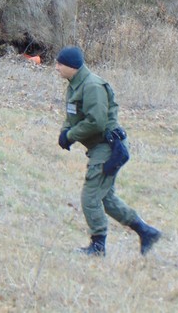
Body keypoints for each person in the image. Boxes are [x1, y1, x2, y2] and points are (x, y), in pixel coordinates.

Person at [55, 45, 161, 256]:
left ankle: (98, 246)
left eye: (59, 64)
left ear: (72, 66)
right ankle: (146, 231)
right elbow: (72, 115)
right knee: (108, 199)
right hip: (97, 148)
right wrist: (65, 133)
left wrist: (71, 135)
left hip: (108, 148)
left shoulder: (92, 86)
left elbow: (97, 122)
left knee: (90, 198)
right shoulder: (75, 85)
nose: (56, 67)